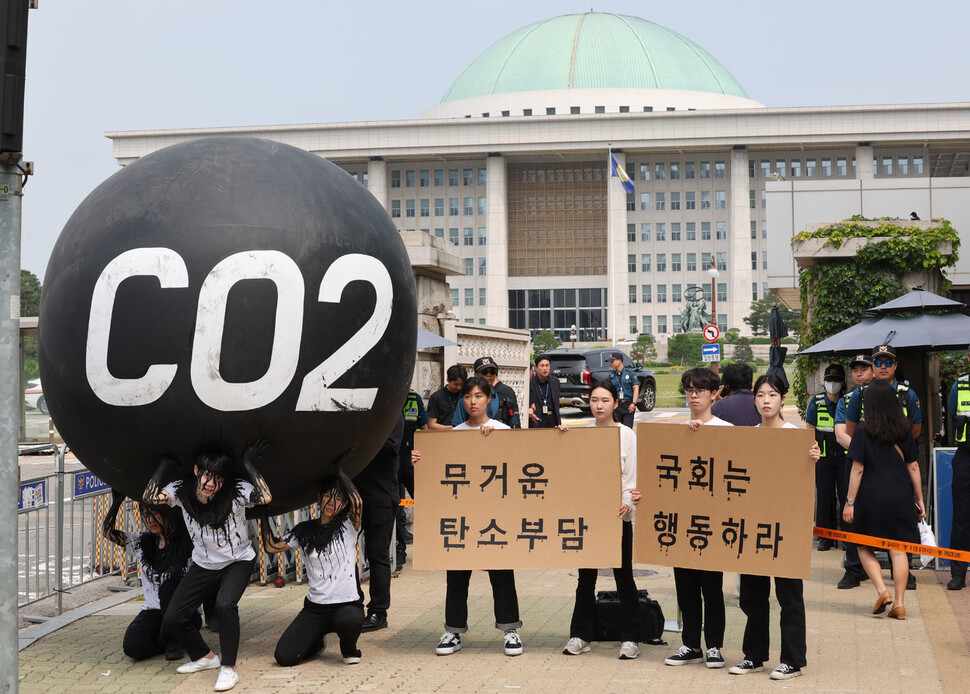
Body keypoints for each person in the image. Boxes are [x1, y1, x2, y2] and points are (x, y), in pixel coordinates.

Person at [143, 441, 273, 693]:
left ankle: (228, 668)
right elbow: (150, 497)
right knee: (173, 616)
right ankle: (204, 657)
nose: (211, 484)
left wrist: (248, 464)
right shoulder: (181, 490)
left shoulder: (236, 489)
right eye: (206, 476)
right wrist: (164, 465)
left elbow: (265, 497)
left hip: (238, 560)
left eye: (217, 479)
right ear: (196, 472)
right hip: (204, 564)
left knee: (225, 605)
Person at [415, 375, 524, 657]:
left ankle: (510, 630)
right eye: (467, 396)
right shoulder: (453, 434)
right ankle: (453, 631)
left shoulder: (502, 430)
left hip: (495, 515)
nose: (473, 401)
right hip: (462, 517)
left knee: (501, 573)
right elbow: (438, 472)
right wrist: (420, 459)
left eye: (478, 396)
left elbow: (520, 467)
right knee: (457, 574)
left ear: (490, 398)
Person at [729, 373, 821, 681]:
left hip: (787, 527)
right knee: (752, 595)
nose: (766, 400)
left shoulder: (796, 436)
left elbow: (805, 484)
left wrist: (812, 459)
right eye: (760, 395)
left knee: (788, 596)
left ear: (782, 399)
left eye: (772, 395)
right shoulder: (748, 435)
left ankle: (792, 660)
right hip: (754, 526)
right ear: (754, 400)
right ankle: (754, 656)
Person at [562, 379, 640, 660]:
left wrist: (626, 503)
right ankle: (581, 635)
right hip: (589, 516)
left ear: (615, 404)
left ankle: (630, 638)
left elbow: (631, 475)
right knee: (586, 577)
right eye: (594, 400)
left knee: (624, 576)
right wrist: (561, 438)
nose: (599, 405)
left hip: (618, 516)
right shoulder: (581, 433)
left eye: (605, 400)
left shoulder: (627, 434)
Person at [664, 367, 731, 669]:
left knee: (712, 587)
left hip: (713, 522)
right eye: (689, 390)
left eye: (700, 390)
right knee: (686, 587)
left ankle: (714, 645)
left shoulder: (725, 429)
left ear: (714, 394)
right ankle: (691, 644)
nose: (694, 395)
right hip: (682, 521)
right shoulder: (677, 431)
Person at [262, 470, 365, 666]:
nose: (331, 503)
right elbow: (270, 547)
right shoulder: (304, 530)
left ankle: (349, 647)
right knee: (284, 657)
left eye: (338, 499)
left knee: (350, 620)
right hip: (315, 608)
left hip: (346, 605)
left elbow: (358, 502)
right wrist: (263, 511)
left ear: (344, 504)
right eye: (328, 496)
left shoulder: (349, 526)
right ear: (319, 497)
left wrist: (340, 470)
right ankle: (316, 641)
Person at [843, 379, 925, 619]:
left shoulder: (862, 430)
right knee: (898, 550)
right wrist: (919, 499)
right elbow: (913, 466)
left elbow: (857, 469)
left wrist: (849, 502)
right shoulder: (905, 429)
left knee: (862, 544)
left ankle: (882, 590)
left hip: (871, 498)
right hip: (900, 497)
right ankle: (899, 603)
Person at [102, 493, 194, 661]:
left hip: (181, 611)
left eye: (155, 514)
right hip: (153, 611)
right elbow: (108, 533)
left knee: (170, 585)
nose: (150, 520)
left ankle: (175, 641)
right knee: (132, 647)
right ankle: (167, 641)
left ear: (167, 513)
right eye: (145, 516)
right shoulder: (141, 542)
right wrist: (116, 504)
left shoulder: (186, 543)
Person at [353, 414, 404, 632]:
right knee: (342, 554)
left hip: (381, 495)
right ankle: (350, 605)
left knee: (377, 554)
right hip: (351, 495)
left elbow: (389, 448)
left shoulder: (391, 415)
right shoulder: (353, 413)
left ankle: (378, 612)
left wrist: (356, 442)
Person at [833, 353, 875, 589]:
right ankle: (853, 569)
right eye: (855, 370)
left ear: (873, 371)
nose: (859, 373)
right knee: (851, 514)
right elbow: (841, 435)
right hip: (856, 462)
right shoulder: (846, 400)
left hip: (883, 466)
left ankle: (900, 567)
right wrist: (864, 453)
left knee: (887, 513)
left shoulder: (887, 397)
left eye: (863, 369)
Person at [805, 364, 847, 551]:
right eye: (829, 381)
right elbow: (810, 431)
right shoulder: (817, 402)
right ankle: (825, 537)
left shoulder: (848, 402)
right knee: (824, 498)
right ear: (824, 383)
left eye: (836, 381)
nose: (832, 384)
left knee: (847, 498)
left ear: (843, 383)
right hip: (823, 458)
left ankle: (847, 537)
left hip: (845, 458)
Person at [946, 346, 970, 590]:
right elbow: (953, 414)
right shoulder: (958, 387)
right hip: (966, 458)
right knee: (962, 519)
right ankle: (958, 574)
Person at [396, 389, 428, 569]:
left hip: (413, 458)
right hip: (392, 459)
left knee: (423, 502)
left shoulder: (414, 399)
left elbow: (424, 429)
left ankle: (427, 548)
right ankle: (398, 550)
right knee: (396, 507)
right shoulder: (389, 397)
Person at [451, 356, 521, 428]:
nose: (489, 375)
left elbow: (515, 423)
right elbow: (458, 428)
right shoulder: (465, 400)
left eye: (492, 372)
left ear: (488, 398)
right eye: (484, 372)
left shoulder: (504, 395)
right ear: (476, 375)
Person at [529, 354, 567, 430]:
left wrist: (559, 423)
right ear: (536, 368)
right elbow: (531, 401)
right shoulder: (531, 383)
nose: (545, 368)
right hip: (538, 420)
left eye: (547, 365)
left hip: (553, 420)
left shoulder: (555, 381)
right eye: (542, 366)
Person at [427, 365, 466, 430]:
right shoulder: (436, 397)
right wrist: (452, 428)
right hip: (442, 435)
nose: (459, 387)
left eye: (462, 384)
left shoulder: (465, 396)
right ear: (448, 380)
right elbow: (431, 425)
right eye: (456, 384)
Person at [607, 351, 639, 429]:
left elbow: (636, 388)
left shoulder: (630, 373)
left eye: (613, 361)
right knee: (616, 429)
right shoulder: (611, 376)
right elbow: (608, 390)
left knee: (627, 429)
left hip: (628, 405)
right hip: (616, 405)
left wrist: (633, 403)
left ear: (619, 361)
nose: (611, 363)